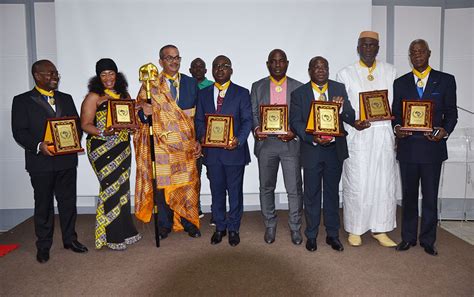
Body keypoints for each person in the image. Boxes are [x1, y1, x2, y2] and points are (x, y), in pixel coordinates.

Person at [11, 60, 88, 263]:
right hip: (41, 164)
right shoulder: (22, 101)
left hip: (67, 161)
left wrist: (72, 142)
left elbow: (77, 125)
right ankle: (43, 246)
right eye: (50, 73)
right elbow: (19, 132)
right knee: (43, 205)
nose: (55, 76)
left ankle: (70, 240)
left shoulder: (67, 98)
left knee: (68, 203)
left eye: (56, 73)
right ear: (37, 75)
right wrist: (39, 146)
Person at [392, 39, 458, 256]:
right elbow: (397, 115)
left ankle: (428, 240)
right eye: (413, 52)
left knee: (429, 197)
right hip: (409, 148)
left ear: (428, 53)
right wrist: (397, 128)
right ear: (409, 57)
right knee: (409, 196)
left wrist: (444, 131)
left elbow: (451, 113)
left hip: (432, 149)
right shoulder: (400, 83)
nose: (417, 55)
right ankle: (408, 238)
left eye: (421, 51)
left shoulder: (446, 80)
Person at [336, 31, 399, 247]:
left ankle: (380, 228)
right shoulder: (345, 73)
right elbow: (343, 106)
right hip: (359, 135)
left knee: (383, 182)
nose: (368, 49)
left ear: (378, 48)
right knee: (358, 182)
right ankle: (355, 228)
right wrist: (353, 122)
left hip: (383, 134)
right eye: (364, 45)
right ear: (358, 47)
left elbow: (396, 105)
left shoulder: (390, 71)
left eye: (372, 45)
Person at [134, 45, 202, 239]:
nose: (174, 61)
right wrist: (143, 112)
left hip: (187, 145)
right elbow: (139, 114)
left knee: (189, 184)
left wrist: (199, 139)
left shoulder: (191, 83)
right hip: (162, 146)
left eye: (177, 57)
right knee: (162, 186)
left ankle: (189, 222)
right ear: (161, 61)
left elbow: (198, 115)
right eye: (169, 58)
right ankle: (164, 225)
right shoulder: (151, 85)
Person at [290, 56, 355, 252]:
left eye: (324, 67)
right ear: (310, 71)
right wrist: (312, 138)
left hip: (334, 151)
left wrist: (342, 107)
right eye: (316, 67)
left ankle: (332, 235)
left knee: (332, 194)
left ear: (328, 70)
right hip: (312, 150)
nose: (321, 70)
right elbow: (296, 122)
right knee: (311, 194)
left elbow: (350, 116)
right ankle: (311, 235)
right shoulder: (299, 93)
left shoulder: (338, 88)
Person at [80, 58, 142, 250]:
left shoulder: (124, 95)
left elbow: (128, 121)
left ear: (117, 74)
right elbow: (85, 124)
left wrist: (132, 126)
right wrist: (102, 132)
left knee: (122, 188)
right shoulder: (94, 96)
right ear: (98, 77)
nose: (108, 77)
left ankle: (126, 231)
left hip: (122, 147)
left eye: (111, 73)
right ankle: (111, 235)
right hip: (101, 148)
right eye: (103, 74)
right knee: (109, 188)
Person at [195, 55, 252, 247]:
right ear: (212, 70)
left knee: (235, 192)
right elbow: (199, 121)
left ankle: (234, 228)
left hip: (234, 152)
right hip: (212, 154)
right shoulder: (202, 94)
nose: (220, 69)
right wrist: (203, 136)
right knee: (216, 191)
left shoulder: (242, 93)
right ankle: (220, 227)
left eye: (224, 66)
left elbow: (247, 121)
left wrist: (239, 140)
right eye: (216, 66)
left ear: (231, 70)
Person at [250, 49, 303, 245]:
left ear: (287, 63)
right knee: (266, 187)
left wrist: (294, 132)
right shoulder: (257, 86)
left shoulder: (298, 87)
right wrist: (257, 129)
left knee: (294, 188)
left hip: (289, 144)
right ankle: (270, 224)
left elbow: (302, 116)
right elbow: (254, 112)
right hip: (266, 145)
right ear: (268, 64)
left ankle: (295, 227)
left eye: (281, 61)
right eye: (274, 61)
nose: (278, 64)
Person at [189, 57, 214, 220]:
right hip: (191, 136)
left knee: (214, 175)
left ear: (206, 71)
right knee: (194, 175)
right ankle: (194, 207)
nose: (198, 70)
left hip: (211, 136)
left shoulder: (212, 86)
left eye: (201, 67)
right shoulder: (185, 86)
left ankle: (216, 210)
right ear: (190, 71)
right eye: (194, 67)